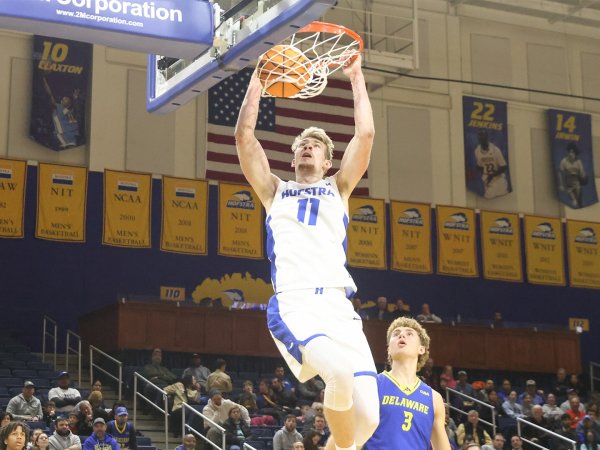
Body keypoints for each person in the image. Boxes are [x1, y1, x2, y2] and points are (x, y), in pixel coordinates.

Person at [235, 54, 379, 450]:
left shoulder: (339, 187)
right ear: (293, 156)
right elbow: (245, 138)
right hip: (297, 304)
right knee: (339, 377)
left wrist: (355, 77)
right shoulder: (274, 190)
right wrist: (259, 82)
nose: (306, 148)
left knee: (369, 417)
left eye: (314, 145)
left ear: (327, 160)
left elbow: (364, 136)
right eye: (301, 145)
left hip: (339, 307)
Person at [363, 317, 450, 450]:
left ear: (421, 349)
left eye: (409, 333)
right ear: (388, 350)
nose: (402, 335)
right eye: (396, 334)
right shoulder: (371, 384)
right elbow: (350, 437)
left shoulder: (434, 398)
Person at [41, 76, 81, 149]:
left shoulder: (70, 111)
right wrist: (45, 82)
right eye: (64, 98)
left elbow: (77, 111)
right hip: (59, 137)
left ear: (69, 104)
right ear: (61, 101)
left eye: (67, 99)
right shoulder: (57, 107)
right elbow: (50, 95)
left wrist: (75, 98)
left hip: (71, 138)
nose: (65, 99)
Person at [474, 130, 509, 199]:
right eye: (480, 138)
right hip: (488, 181)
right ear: (479, 139)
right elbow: (480, 166)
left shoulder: (495, 150)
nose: (482, 139)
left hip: (499, 180)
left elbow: (503, 167)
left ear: (487, 138)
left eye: (484, 137)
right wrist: (478, 169)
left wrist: (492, 175)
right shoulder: (477, 151)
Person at [558, 143, 587, 208]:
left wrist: (583, 176)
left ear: (575, 153)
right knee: (574, 201)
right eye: (569, 152)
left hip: (577, 183)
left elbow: (582, 173)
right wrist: (561, 184)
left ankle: (580, 204)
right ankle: (574, 201)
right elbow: (560, 173)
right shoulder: (564, 161)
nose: (571, 154)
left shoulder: (578, 162)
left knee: (579, 200)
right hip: (568, 183)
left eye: (573, 152)